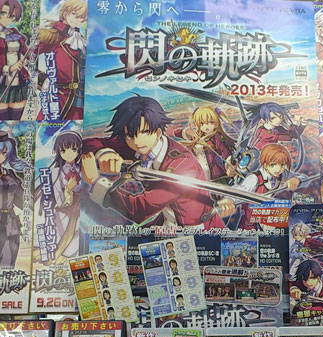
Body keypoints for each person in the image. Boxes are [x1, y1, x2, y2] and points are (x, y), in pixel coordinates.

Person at [82, 95, 234, 230]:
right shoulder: (138, 144)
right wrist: (105, 153)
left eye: (145, 132)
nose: (137, 141)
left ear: (158, 132)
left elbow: (140, 209)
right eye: (130, 135)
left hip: (197, 231)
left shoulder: (182, 165)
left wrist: (95, 181)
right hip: (166, 222)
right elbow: (89, 142)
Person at [35, 131, 82, 263]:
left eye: (73, 149)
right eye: (63, 150)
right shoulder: (56, 172)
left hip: (81, 210)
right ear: (58, 152)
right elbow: (59, 199)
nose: (69, 154)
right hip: (65, 211)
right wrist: (68, 189)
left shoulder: (82, 170)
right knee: (59, 231)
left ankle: (65, 255)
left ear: (79, 149)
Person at [39, 0, 87, 120]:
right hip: (59, 96)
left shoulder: (81, 38)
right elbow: (28, 57)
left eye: (82, 17)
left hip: (80, 97)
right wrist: (42, 79)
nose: (78, 20)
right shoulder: (53, 35)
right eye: (74, 14)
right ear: (65, 13)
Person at [237, 143, 299, 229]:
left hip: (268, 220)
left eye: (282, 165)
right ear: (265, 165)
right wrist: (229, 200)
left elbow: (302, 178)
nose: (278, 169)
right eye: (273, 165)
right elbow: (239, 192)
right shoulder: (254, 178)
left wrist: (296, 179)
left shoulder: (282, 174)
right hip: (250, 225)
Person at [174, 104, 235, 181]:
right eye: (202, 123)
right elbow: (176, 133)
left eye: (211, 122)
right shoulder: (197, 136)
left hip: (216, 176)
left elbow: (224, 151)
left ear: (216, 123)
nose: (206, 126)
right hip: (200, 175)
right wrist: (187, 131)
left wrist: (229, 166)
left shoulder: (216, 137)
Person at [0, 131, 30, 267]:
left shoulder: (9, 174)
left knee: (8, 261)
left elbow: (23, 199)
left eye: (3, 153)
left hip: (10, 222)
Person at [0, 0, 29, 120]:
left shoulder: (14, 33)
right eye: (3, 13)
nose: (8, 19)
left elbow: (27, 51)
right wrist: (9, 68)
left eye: (12, 16)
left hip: (17, 78)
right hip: (2, 79)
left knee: (14, 119)